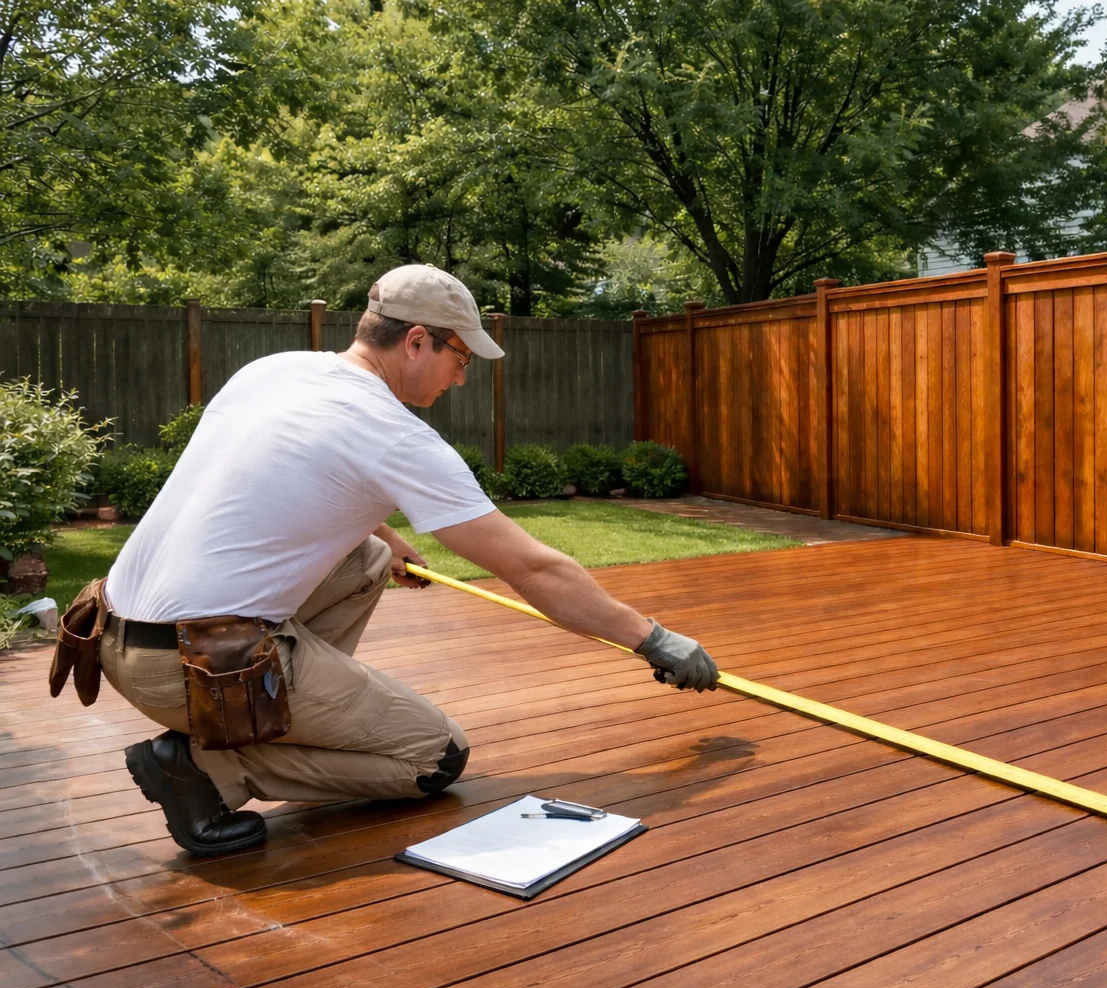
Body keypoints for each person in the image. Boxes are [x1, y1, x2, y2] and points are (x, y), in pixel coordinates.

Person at [97, 264, 718, 856]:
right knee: (435, 758)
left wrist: (384, 535)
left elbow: (281, 476)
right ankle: (205, 766)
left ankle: (262, 717)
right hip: (190, 664)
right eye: (462, 357)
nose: (461, 378)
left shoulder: (275, 371)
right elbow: (532, 569)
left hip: (117, 634)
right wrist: (652, 638)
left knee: (366, 556)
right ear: (417, 341)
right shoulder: (391, 432)